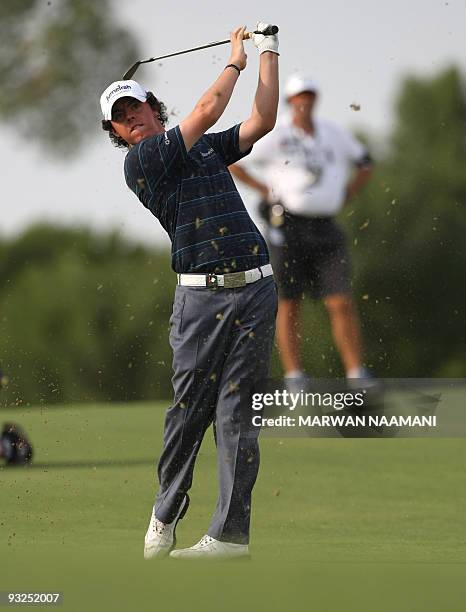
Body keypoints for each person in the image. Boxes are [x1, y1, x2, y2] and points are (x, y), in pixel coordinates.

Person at [100, 24, 279, 560]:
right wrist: (236, 61)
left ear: (154, 107)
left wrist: (268, 51)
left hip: (255, 289)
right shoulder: (144, 163)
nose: (132, 121)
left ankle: (228, 537)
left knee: (236, 416)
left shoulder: (202, 151)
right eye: (121, 119)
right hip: (200, 299)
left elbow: (263, 119)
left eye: (136, 108)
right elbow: (206, 108)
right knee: (188, 412)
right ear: (118, 132)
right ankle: (165, 513)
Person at [229, 74, 373, 387]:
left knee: (340, 300)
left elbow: (365, 162)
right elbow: (233, 159)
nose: (304, 101)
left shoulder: (332, 133)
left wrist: (346, 195)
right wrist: (262, 189)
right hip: (287, 227)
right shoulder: (276, 133)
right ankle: (295, 375)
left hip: (326, 227)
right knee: (289, 302)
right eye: (299, 96)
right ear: (290, 101)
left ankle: (356, 373)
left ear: (315, 98)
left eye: (309, 95)